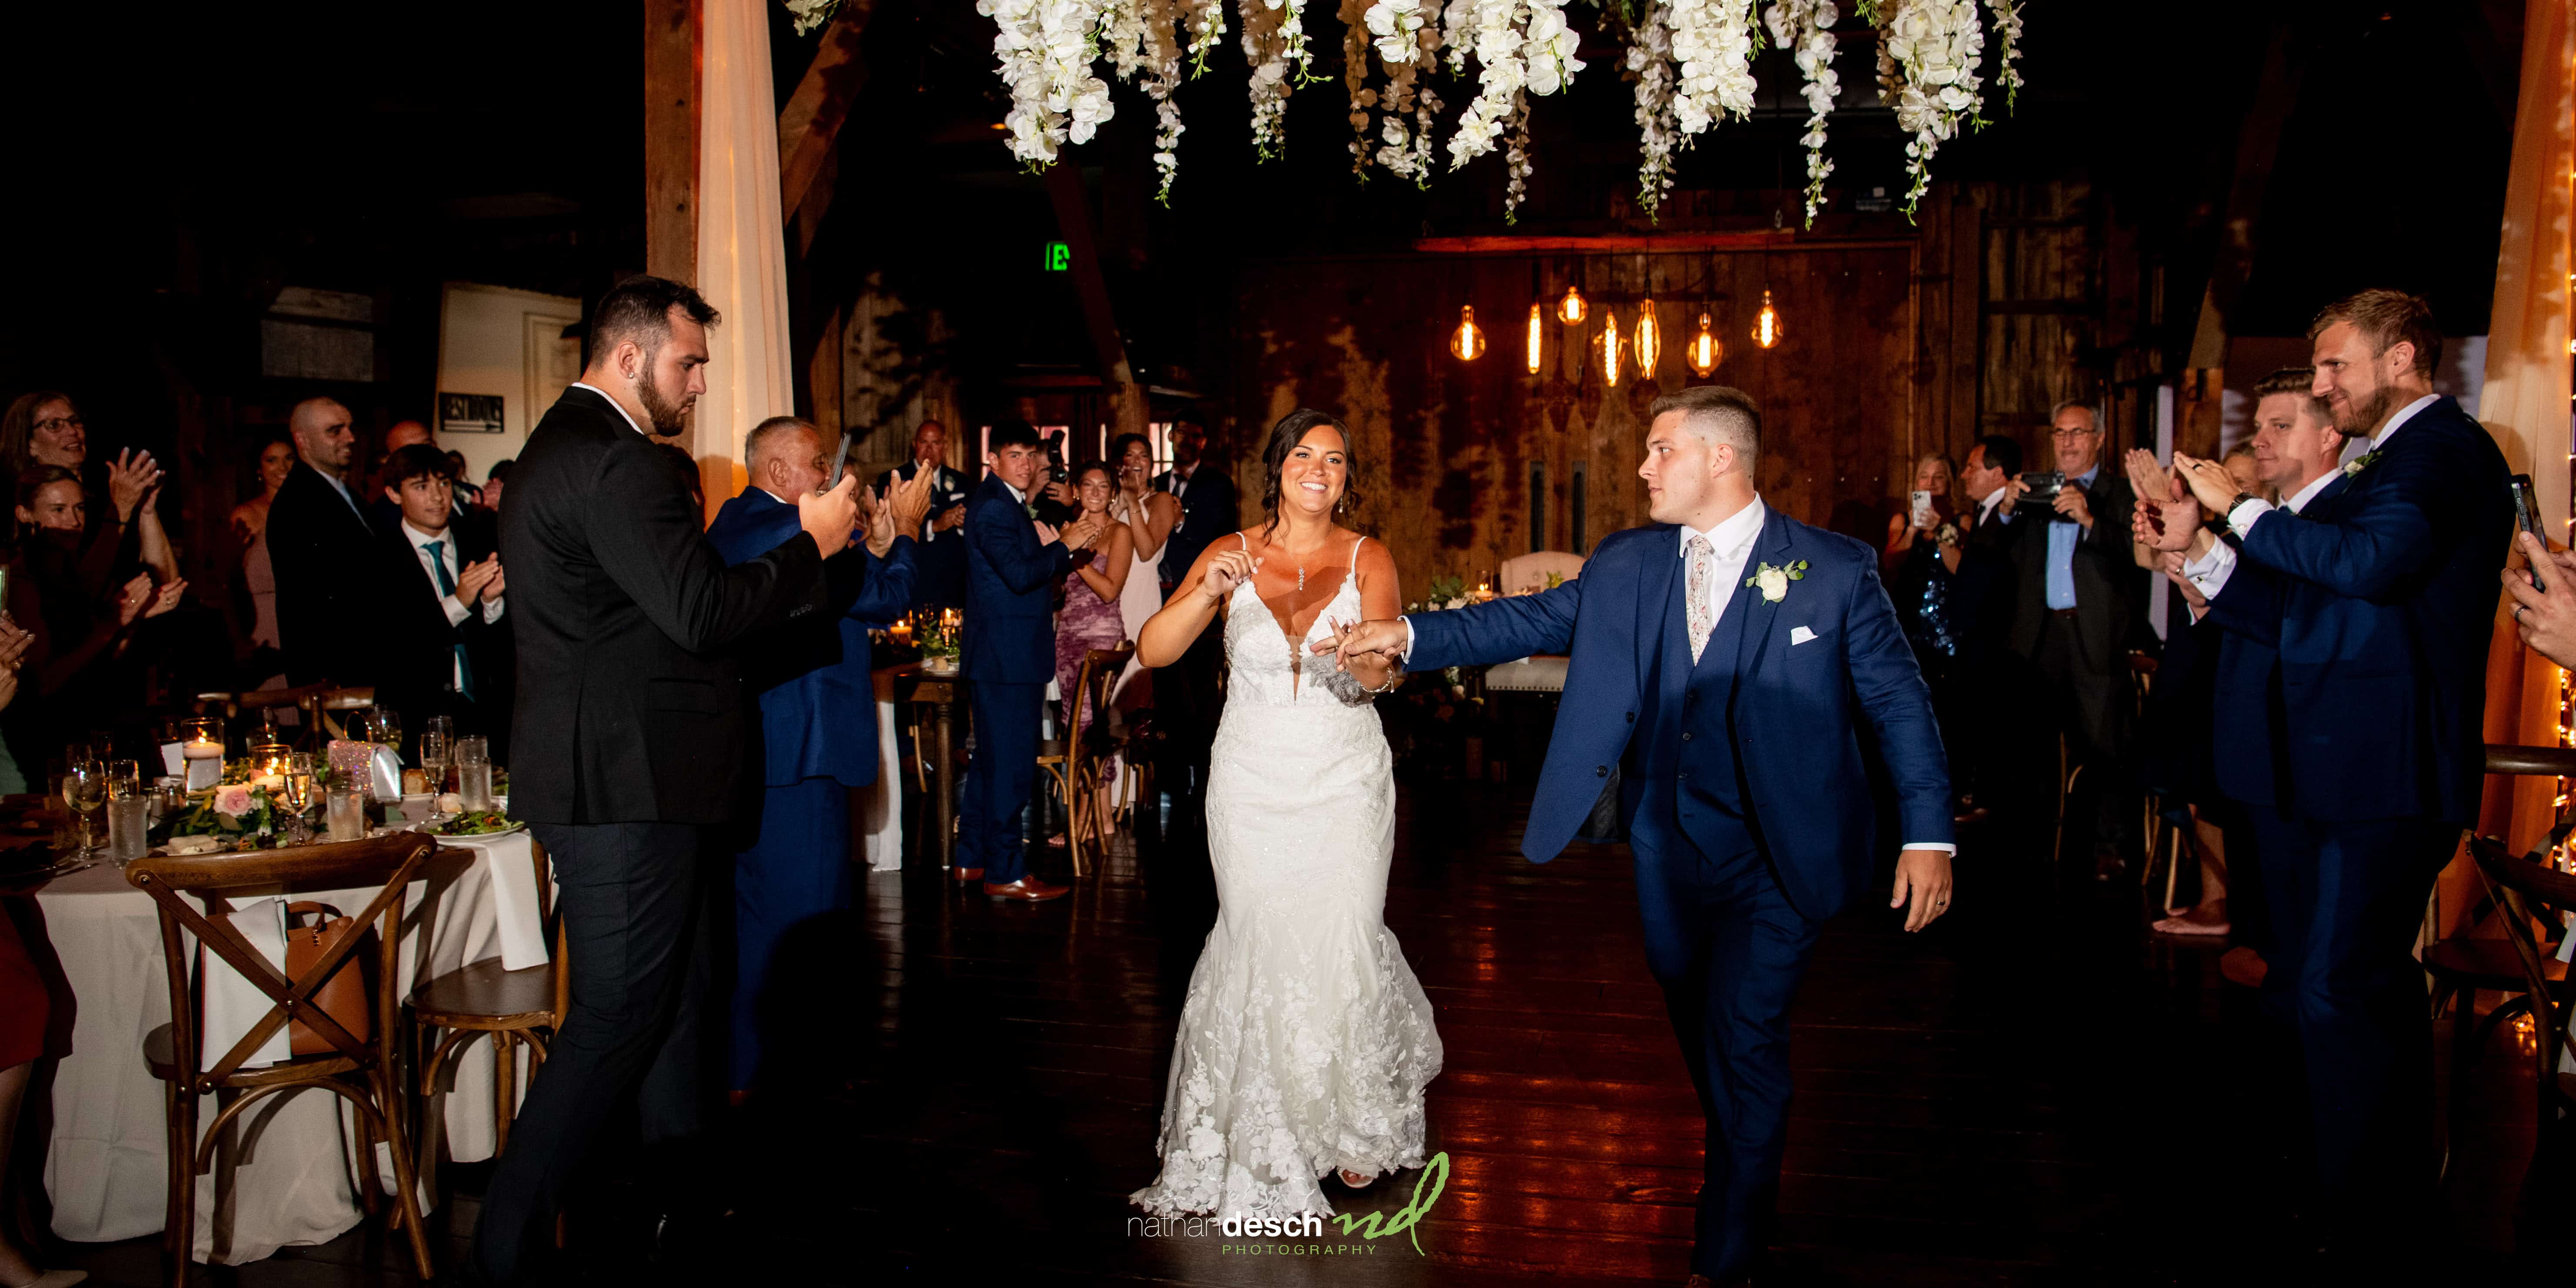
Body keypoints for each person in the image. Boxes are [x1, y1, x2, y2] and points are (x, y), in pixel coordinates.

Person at [1325, 385, 1955, 1288]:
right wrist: (1410, 633)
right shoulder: (1628, 562)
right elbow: (1528, 620)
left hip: (1785, 849)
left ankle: (1727, 1254)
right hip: (1668, 843)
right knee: (1702, 1021)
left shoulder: (1835, 568)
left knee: (1747, 1034)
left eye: (1662, 450)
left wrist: (1929, 832)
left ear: (1721, 458)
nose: (1644, 467)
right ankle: (1746, 1135)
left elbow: (1898, 701)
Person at [478, 275, 863, 1285]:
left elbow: (650, 621)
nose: (698, 385)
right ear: (631, 354)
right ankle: (504, 1251)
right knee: (618, 1016)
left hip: (644, 780)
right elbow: (700, 613)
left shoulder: (567, 453)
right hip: (623, 788)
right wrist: (812, 546)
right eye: (689, 363)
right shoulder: (616, 462)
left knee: (684, 1005)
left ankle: (681, 1213)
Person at [2138, 289, 2509, 1268]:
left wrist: (2236, 506)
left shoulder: (2445, 453)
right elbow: (2309, 609)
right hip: (2338, 769)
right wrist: (2200, 555)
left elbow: (2370, 566)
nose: (2328, 385)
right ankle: (2356, 1193)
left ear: (2402, 360)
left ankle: (2367, 1223)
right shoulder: (2401, 461)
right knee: (2334, 985)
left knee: (2344, 987)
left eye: (2340, 366)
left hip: (2386, 767)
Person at [1129, 408, 1441, 1218]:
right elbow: (1154, 650)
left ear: (1346, 479)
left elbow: (1381, 679)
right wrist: (1204, 592)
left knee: (1342, 930)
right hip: (1251, 779)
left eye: (1334, 461)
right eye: (1304, 454)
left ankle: (1354, 1126)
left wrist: (1366, 661)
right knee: (1257, 934)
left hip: (1343, 778)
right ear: (1277, 467)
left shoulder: (1370, 556)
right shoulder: (1229, 551)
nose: (1319, 469)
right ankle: (1263, 1122)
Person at [708, 415, 931, 1095]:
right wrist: (910, 531)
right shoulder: (787, 533)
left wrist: (880, 543)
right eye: (819, 465)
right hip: (800, 754)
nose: (835, 479)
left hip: (772, 752)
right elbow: (885, 598)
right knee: (798, 922)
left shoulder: (741, 523)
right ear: (780, 474)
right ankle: (773, 1077)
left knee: (759, 919)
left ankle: (749, 1069)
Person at [956, 420, 1107, 900]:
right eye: (1014, 455)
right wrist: (1068, 545)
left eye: (1029, 456)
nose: (1025, 465)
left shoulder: (1004, 503)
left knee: (989, 764)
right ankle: (1006, 872)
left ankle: (972, 861)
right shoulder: (996, 508)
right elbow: (1021, 575)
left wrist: (1065, 548)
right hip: (1006, 657)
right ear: (994, 460)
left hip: (1005, 654)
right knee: (1011, 767)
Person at [1998, 398, 2142, 878]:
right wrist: (2005, 511)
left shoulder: (2118, 493)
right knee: (2035, 742)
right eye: (2060, 433)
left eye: (2078, 433)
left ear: (2099, 439)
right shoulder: (2037, 489)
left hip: (2095, 633)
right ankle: (2038, 839)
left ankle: (2110, 844)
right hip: (2040, 636)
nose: (2067, 442)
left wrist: (2089, 521)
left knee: (2104, 742)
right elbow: (1994, 556)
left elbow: (2140, 553)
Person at [0, 468, 183, 767]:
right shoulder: (22, 582)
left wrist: (135, 616)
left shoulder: (65, 574)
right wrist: (113, 623)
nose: (73, 521)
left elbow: (96, 653)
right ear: (23, 514)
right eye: (58, 510)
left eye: (80, 508)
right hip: (46, 745)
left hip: (91, 730)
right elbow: (44, 683)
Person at [374, 444, 510, 756]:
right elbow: (395, 644)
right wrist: (459, 602)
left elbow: (503, 645)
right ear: (395, 495)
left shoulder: (478, 538)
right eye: (421, 487)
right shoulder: (379, 557)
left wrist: (491, 604)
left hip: (481, 713)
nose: (437, 497)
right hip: (418, 720)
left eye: (444, 484)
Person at [265, 396, 391, 688]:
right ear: (303, 440)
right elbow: (313, 601)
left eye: (349, 428)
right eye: (335, 430)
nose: (350, 438)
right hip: (338, 676)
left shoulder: (347, 495)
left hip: (366, 667)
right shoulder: (297, 503)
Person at [0, 391, 179, 589]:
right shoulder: (21, 505)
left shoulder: (107, 494)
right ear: (30, 445)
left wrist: (146, 508)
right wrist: (121, 509)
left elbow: (168, 586)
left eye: (74, 421)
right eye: (54, 425)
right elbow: (79, 593)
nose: (72, 431)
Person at [1150, 421, 1237, 784]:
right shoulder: (1156, 486)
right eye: (1179, 433)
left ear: (1204, 439)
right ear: (1170, 437)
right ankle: (1167, 774)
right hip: (1157, 602)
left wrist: (1182, 522)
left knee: (1201, 689)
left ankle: (1204, 775)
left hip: (1202, 601)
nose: (1185, 440)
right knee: (1164, 692)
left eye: (1194, 434)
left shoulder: (1218, 484)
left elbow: (1227, 536)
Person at [1106, 432, 1178, 716]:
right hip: (1113, 593)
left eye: (1144, 455)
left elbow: (1147, 552)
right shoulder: (1114, 499)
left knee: (1134, 688)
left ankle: (1134, 758)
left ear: (1151, 464)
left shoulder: (1161, 500)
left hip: (1141, 595)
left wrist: (1133, 503)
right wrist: (1117, 505)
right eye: (1130, 455)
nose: (1138, 461)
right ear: (1119, 463)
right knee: (1106, 686)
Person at [873, 421, 970, 609]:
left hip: (951, 585)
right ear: (914, 444)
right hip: (913, 580)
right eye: (924, 442)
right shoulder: (894, 479)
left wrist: (962, 524)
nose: (929, 449)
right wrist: (934, 526)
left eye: (936, 443)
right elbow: (887, 532)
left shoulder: (963, 482)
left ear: (946, 446)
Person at [229, 435, 296, 678]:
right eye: (272, 460)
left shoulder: (312, 511)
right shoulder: (247, 514)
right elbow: (228, 582)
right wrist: (239, 639)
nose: (283, 467)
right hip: (265, 628)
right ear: (259, 469)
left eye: (290, 458)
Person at [1883, 452, 1956, 568]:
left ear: (1950, 482)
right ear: (1917, 483)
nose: (1930, 483)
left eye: (1939, 477)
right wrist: (1911, 530)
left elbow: (1962, 569)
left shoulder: (1961, 520)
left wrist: (1940, 529)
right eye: (1924, 477)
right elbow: (1889, 564)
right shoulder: (1901, 520)